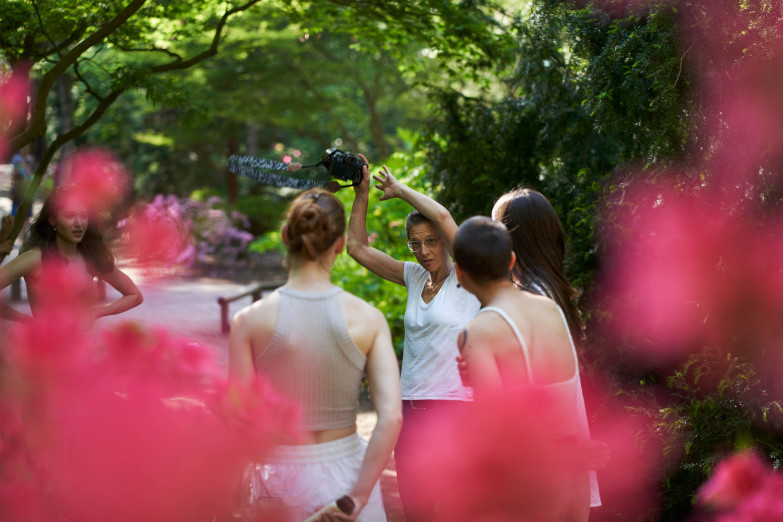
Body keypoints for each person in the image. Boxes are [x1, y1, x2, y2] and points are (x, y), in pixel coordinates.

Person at [228, 187, 402, 521]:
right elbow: (392, 418)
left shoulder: (249, 322)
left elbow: (239, 421)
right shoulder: (368, 319)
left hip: (279, 480)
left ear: (284, 236)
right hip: (349, 474)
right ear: (340, 245)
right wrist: (358, 496)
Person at [346, 162, 480, 517]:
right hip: (409, 408)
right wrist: (362, 194)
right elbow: (356, 248)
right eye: (415, 244)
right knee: (416, 507)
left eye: (432, 241)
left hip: (455, 408)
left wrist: (399, 189)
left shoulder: (467, 277)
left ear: (446, 242)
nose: (424, 251)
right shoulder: (414, 276)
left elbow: (444, 215)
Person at [457, 188, 604, 509]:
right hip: (569, 459)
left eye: (496, 229)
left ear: (511, 245)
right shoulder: (549, 295)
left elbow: (500, 418)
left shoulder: (523, 303)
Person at [0, 186, 143, 323]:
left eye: (84, 216)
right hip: (46, 340)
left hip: (85, 340)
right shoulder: (34, 258)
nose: (79, 223)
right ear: (52, 220)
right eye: (70, 216)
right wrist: (25, 320)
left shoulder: (90, 258)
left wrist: (97, 312)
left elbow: (134, 295)